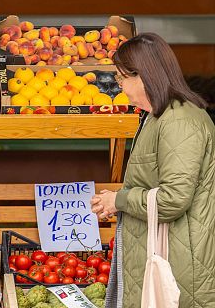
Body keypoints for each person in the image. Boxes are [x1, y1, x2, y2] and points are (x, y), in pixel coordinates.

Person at [91, 32, 215, 307]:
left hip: (180, 268)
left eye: (122, 78)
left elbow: (173, 199)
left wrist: (120, 199)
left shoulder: (179, 121)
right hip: (166, 256)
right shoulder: (158, 117)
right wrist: (117, 200)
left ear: (144, 75)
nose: (120, 86)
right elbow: (156, 182)